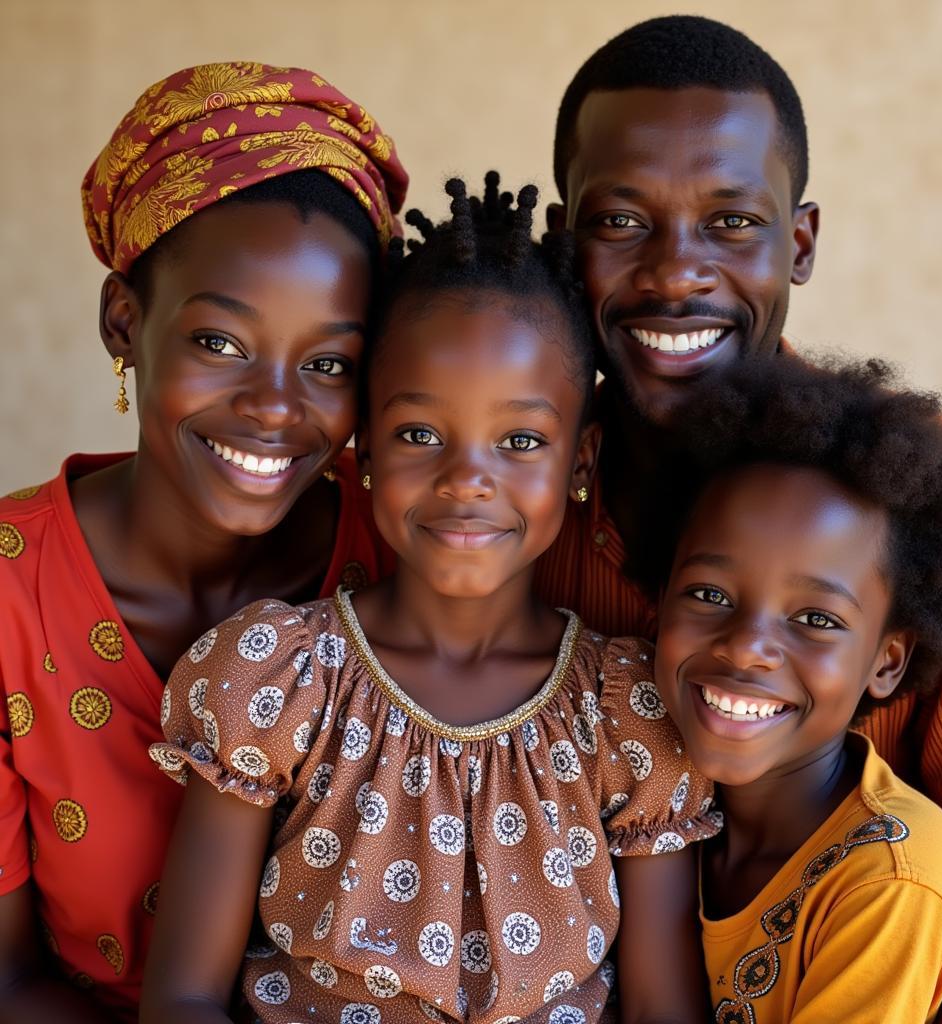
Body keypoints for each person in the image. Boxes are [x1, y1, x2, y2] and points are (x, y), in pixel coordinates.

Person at [140, 174, 720, 1024]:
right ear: (364, 445)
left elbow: (664, 1012)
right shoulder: (276, 680)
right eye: (420, 434)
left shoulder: (625, 714)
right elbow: (185, 996)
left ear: (582, 464)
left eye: (520, 440)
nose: (466, 482)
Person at [534, 17, 942, 1017]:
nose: (675, 273)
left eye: (730, 223)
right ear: (562, 243)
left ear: (797, 243)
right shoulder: (494, 500)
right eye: (620, 222)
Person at [0, 62, 407, 1023]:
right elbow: (7, 981)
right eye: (220, 342)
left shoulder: (408, 550)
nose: (274, 409)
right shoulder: (11, 601)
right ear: (123, 322)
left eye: (329, 363)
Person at [647, 355, 942, 1022]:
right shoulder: (645, 791)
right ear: (659, 599)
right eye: (709, 594)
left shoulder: (893, 882)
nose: (747, 646)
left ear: (888, 661)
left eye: (815, 619)